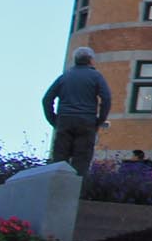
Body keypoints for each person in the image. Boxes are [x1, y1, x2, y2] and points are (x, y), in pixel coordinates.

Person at [41, 47, 111, 177]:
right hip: (86, 121)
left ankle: (56, 190)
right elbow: (106, 98)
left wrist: (54, 120)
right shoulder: (96, 76)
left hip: (65, 120)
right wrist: (99, 120)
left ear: (75, 60)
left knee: (60, 159)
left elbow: (47, 99)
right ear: (91, 60)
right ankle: (76, 191)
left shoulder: (64, 77)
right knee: (82, 160)